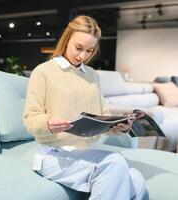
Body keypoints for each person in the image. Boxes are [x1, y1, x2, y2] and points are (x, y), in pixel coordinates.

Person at [23, 15, 148, 200]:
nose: (82, 56)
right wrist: (49, 123)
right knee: (115, 163)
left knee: (136, 179)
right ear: (66, 40)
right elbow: (30, 119)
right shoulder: (43, 71)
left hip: (85, 154)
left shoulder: (92, 75)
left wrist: (119, 126)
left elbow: (103, 116)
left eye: (89, 50)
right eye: (78, 48)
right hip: (52, 155)